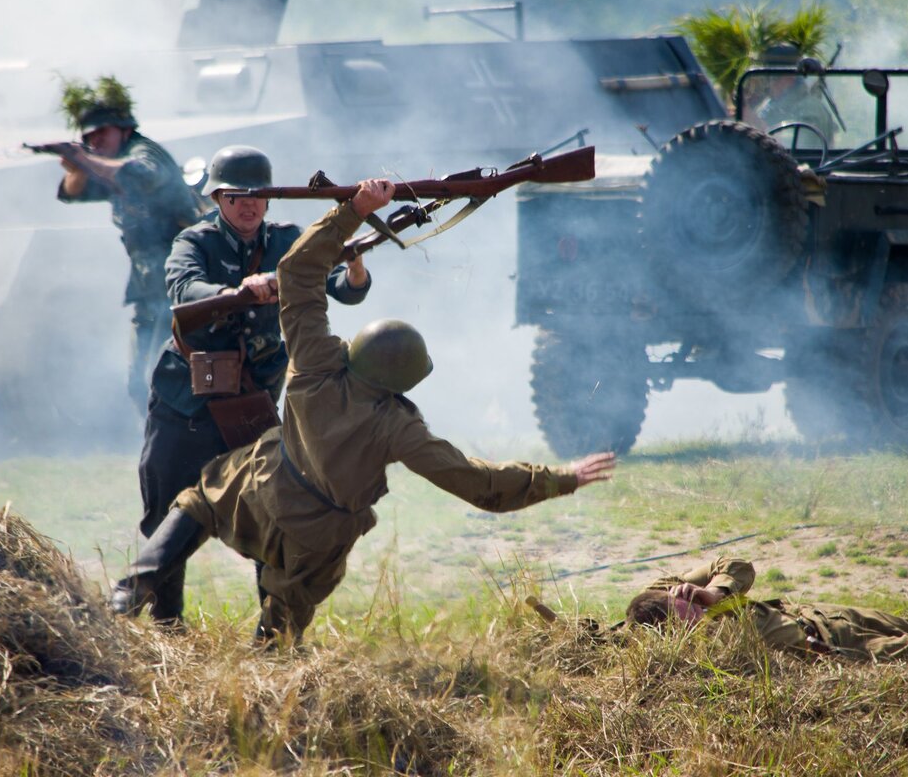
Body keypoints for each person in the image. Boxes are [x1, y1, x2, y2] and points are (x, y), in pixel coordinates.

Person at [114, 178, 617, 642]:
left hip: (258, 489)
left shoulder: (316, 362)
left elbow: (299, 272)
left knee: (198, 500)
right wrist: (562, 479)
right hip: (317, 535)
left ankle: (131, 590)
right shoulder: (398, 427)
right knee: (281, 630)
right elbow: (477, 482)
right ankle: (262, 678)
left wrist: (353, 210)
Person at [125, 145, 372, 625]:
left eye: (256, 196)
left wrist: (356, 269)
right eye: (235, 196)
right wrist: (237, 292)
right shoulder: (193, 242)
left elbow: (339, 283)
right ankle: (166, 630)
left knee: (275, 515)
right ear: (217, 198)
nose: (247, 205)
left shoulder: (288, 240)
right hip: (185, 406)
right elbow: (183, 289)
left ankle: (276, 636)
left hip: (252, 404)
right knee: (163, 519)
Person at [55, 75, 201, 415]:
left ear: (123, 129)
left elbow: (139, 172)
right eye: (88, 137)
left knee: (167, 376)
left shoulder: (143, 153)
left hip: (178, 282)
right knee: (139, 382)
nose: (95, 141)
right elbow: (74, 194)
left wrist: (86, 158)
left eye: (101, 133)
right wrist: (75, 164)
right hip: (146, 286)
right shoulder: (107, 168)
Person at [624, 556, 908, 662]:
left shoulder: (672, 590)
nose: (699, 618)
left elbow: (739, 565)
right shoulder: (684, 655)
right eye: (690, 624)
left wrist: (711, 593)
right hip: (838, 648)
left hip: (822, 615)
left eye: (690, 609)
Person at [742, 43, 837, 143]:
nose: (768, 82)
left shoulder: (810, 108)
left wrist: (753, 120)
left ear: (788, 77)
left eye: (771, 76)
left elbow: (794, 145)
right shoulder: (771, 105)